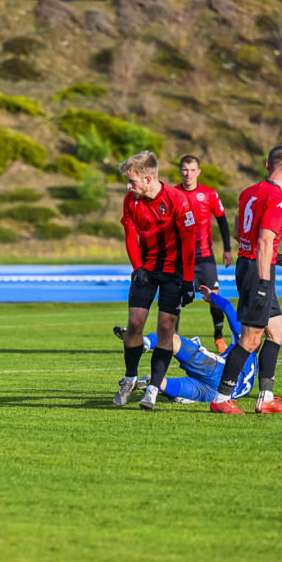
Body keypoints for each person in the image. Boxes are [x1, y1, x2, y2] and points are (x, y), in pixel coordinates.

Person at [210, 145, 282, 415]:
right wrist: (262, 282)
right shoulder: (279, 199)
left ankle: (266, 398)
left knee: (278, 332)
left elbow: (239, 232)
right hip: (257, 271)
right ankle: (221, 399)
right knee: (250, 340)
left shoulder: (249, 192)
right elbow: (263, 240)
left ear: (267, 165)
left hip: (248, 263)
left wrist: (272, 254)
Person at [115, 150, 198, 411]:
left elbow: (188, 241)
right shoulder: (131, 201)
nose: (129, 186)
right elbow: (130, 235)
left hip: (174, 272)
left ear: (148, 179)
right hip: (147, 270)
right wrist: (137, 266)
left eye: (132, 181)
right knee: (135, 323)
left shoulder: (178, 200)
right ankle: (129, 379)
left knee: (165, 329)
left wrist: (188, 280)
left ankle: (153, 389)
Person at [113, 291, 258, 404]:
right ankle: (148, 383)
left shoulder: (246, 341)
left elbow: (228, 307)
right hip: (215, 394)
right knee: (162, 383)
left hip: (218, 373)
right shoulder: (252, 374)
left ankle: (144, 343)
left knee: (169, 336)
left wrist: (211, 296)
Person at [176, 155, 233, 354]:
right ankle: (171, 338)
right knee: (176, 298)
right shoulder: (174, 193)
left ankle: (219, 338)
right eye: (185, 169)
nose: (188, 173)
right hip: (182, 257)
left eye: (192, 170)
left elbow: (222, 221)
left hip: (205, 256)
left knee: (215, 298)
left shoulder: (209, 194)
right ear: (180, 170)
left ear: (199, 171)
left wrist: (227, 249)